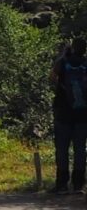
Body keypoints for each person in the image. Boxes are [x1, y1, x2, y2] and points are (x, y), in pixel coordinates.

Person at [50, 37, 87, 193]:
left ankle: (62, 184)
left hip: (63, 113)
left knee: (62, 150)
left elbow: (51, 78)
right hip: (82, 114)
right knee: (80, 149)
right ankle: (78, 184)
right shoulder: (85, 64)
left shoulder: (63, 63)